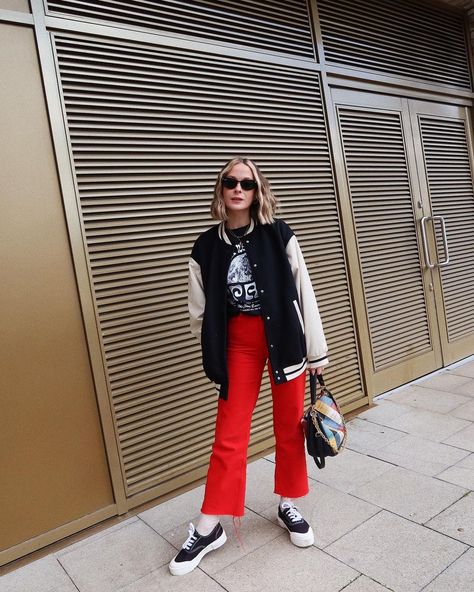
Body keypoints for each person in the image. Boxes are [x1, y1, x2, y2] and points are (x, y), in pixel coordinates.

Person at [169, 157, 328, 576]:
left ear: (258, 191)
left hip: (284, 342)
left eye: (247, 183)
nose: (238, 189)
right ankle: (209, 526)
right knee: (230, 433)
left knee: (290, 427)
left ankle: (288, 504)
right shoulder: (205, 247)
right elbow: (198, 311)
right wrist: (214, 344)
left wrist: (317, 353)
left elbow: (303, 292)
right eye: (230, 182)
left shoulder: (279, 234)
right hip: (238, 344)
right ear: (220, 190)